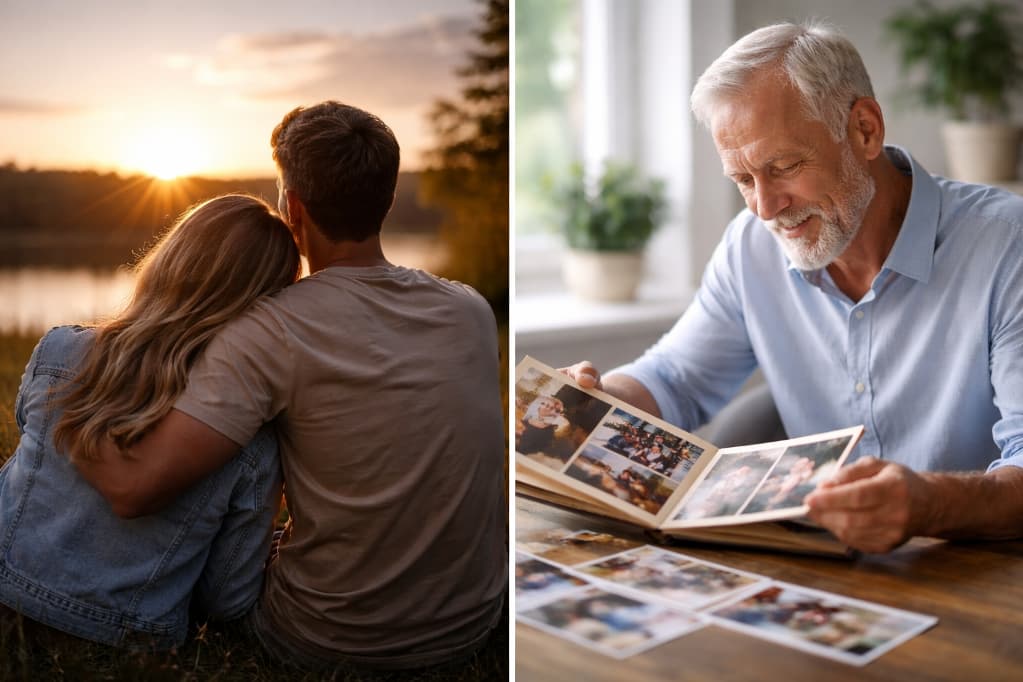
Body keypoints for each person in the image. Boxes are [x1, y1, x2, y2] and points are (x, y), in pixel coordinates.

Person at [71, 102, 506, 670]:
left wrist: (64, 412)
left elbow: (135, 490)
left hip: (328, 638)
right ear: (389, 199)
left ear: (292, 207)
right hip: (471, 624)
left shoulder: (269, 329)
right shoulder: (469, 310)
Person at [562, 21, 1023, 554]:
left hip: (985, 569)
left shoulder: (1007, 245)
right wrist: (597, 398)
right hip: (828, 571)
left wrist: (929, 504)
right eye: (742, 179)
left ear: (865, 130)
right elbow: (676, 377)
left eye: (784, 166)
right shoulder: (749, 247)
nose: (764, 207)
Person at [0, 194, 300, 648]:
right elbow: (227, 599)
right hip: (124, 636)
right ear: (262, 309)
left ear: (170, 260)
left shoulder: (58, 352)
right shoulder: (247, 437)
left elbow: (28, 468)